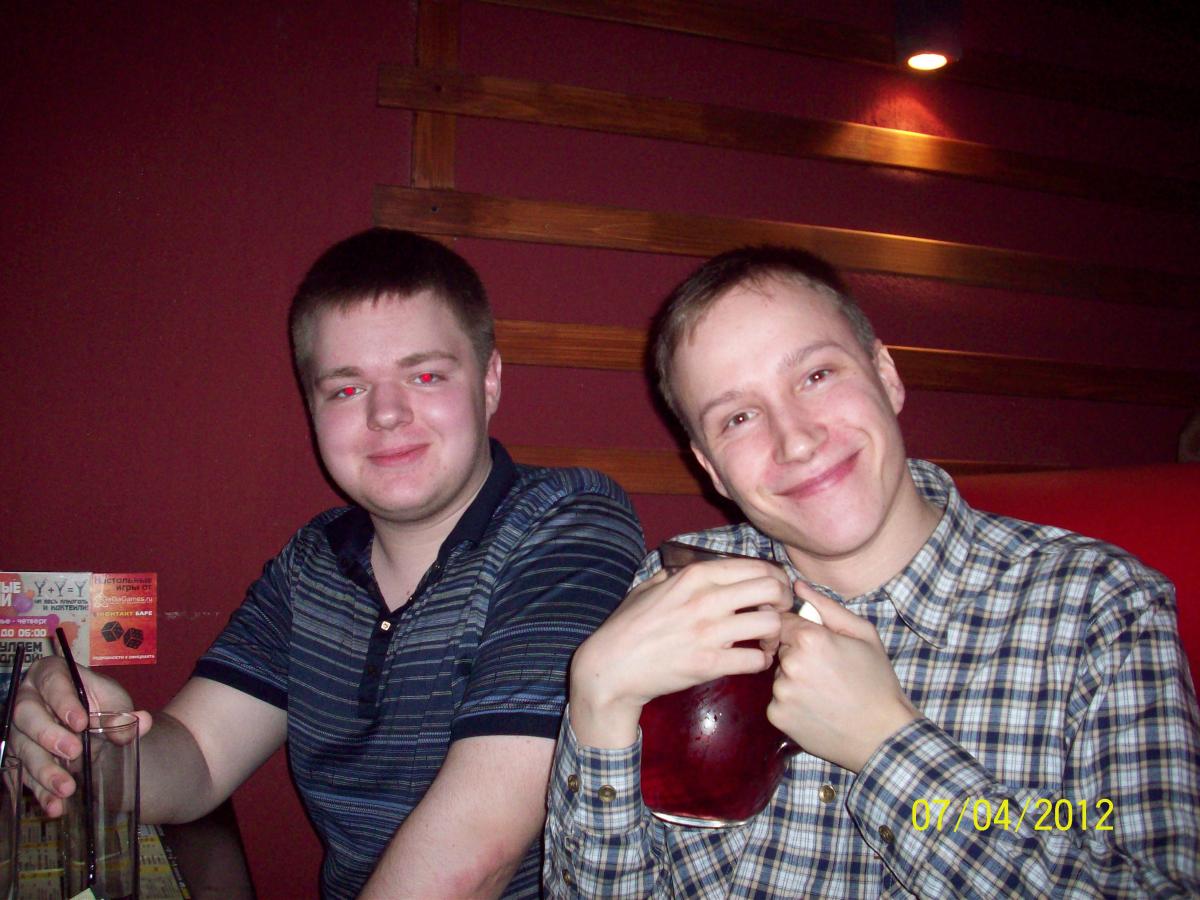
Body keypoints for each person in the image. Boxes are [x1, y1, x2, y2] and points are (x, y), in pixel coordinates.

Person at [544, 245, 1200, 897]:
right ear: (711, 468)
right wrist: (597, 705)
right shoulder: (674, 592)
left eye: (817, 375)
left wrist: (886, 747)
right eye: (739, 417)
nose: (796, 440)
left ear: (886, 375)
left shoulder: (1101, 608)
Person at [13, 228, 645, 898]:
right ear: (311, 407)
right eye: (345, 389)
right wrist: (98, 746)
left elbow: (476, 856)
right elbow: (198, 758)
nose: (386, 414)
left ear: (489, 381)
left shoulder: (570, 521)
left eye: (425, 376)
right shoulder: (310, 564)